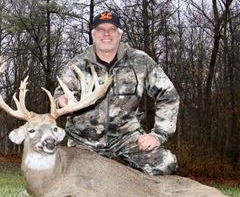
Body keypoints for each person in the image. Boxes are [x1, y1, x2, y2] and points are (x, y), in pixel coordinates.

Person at [55, 10, 179, 175]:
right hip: (84, 140)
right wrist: (61, 102)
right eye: (100, 29)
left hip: (126, 137)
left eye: (112, 29)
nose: (106, 33)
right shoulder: (77, 65)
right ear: (93, 34)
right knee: (76, 178)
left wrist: (158, 135)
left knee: (165, 165)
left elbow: (169, 95)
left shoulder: (139, 61)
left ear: (120, 34)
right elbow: (60, 96)